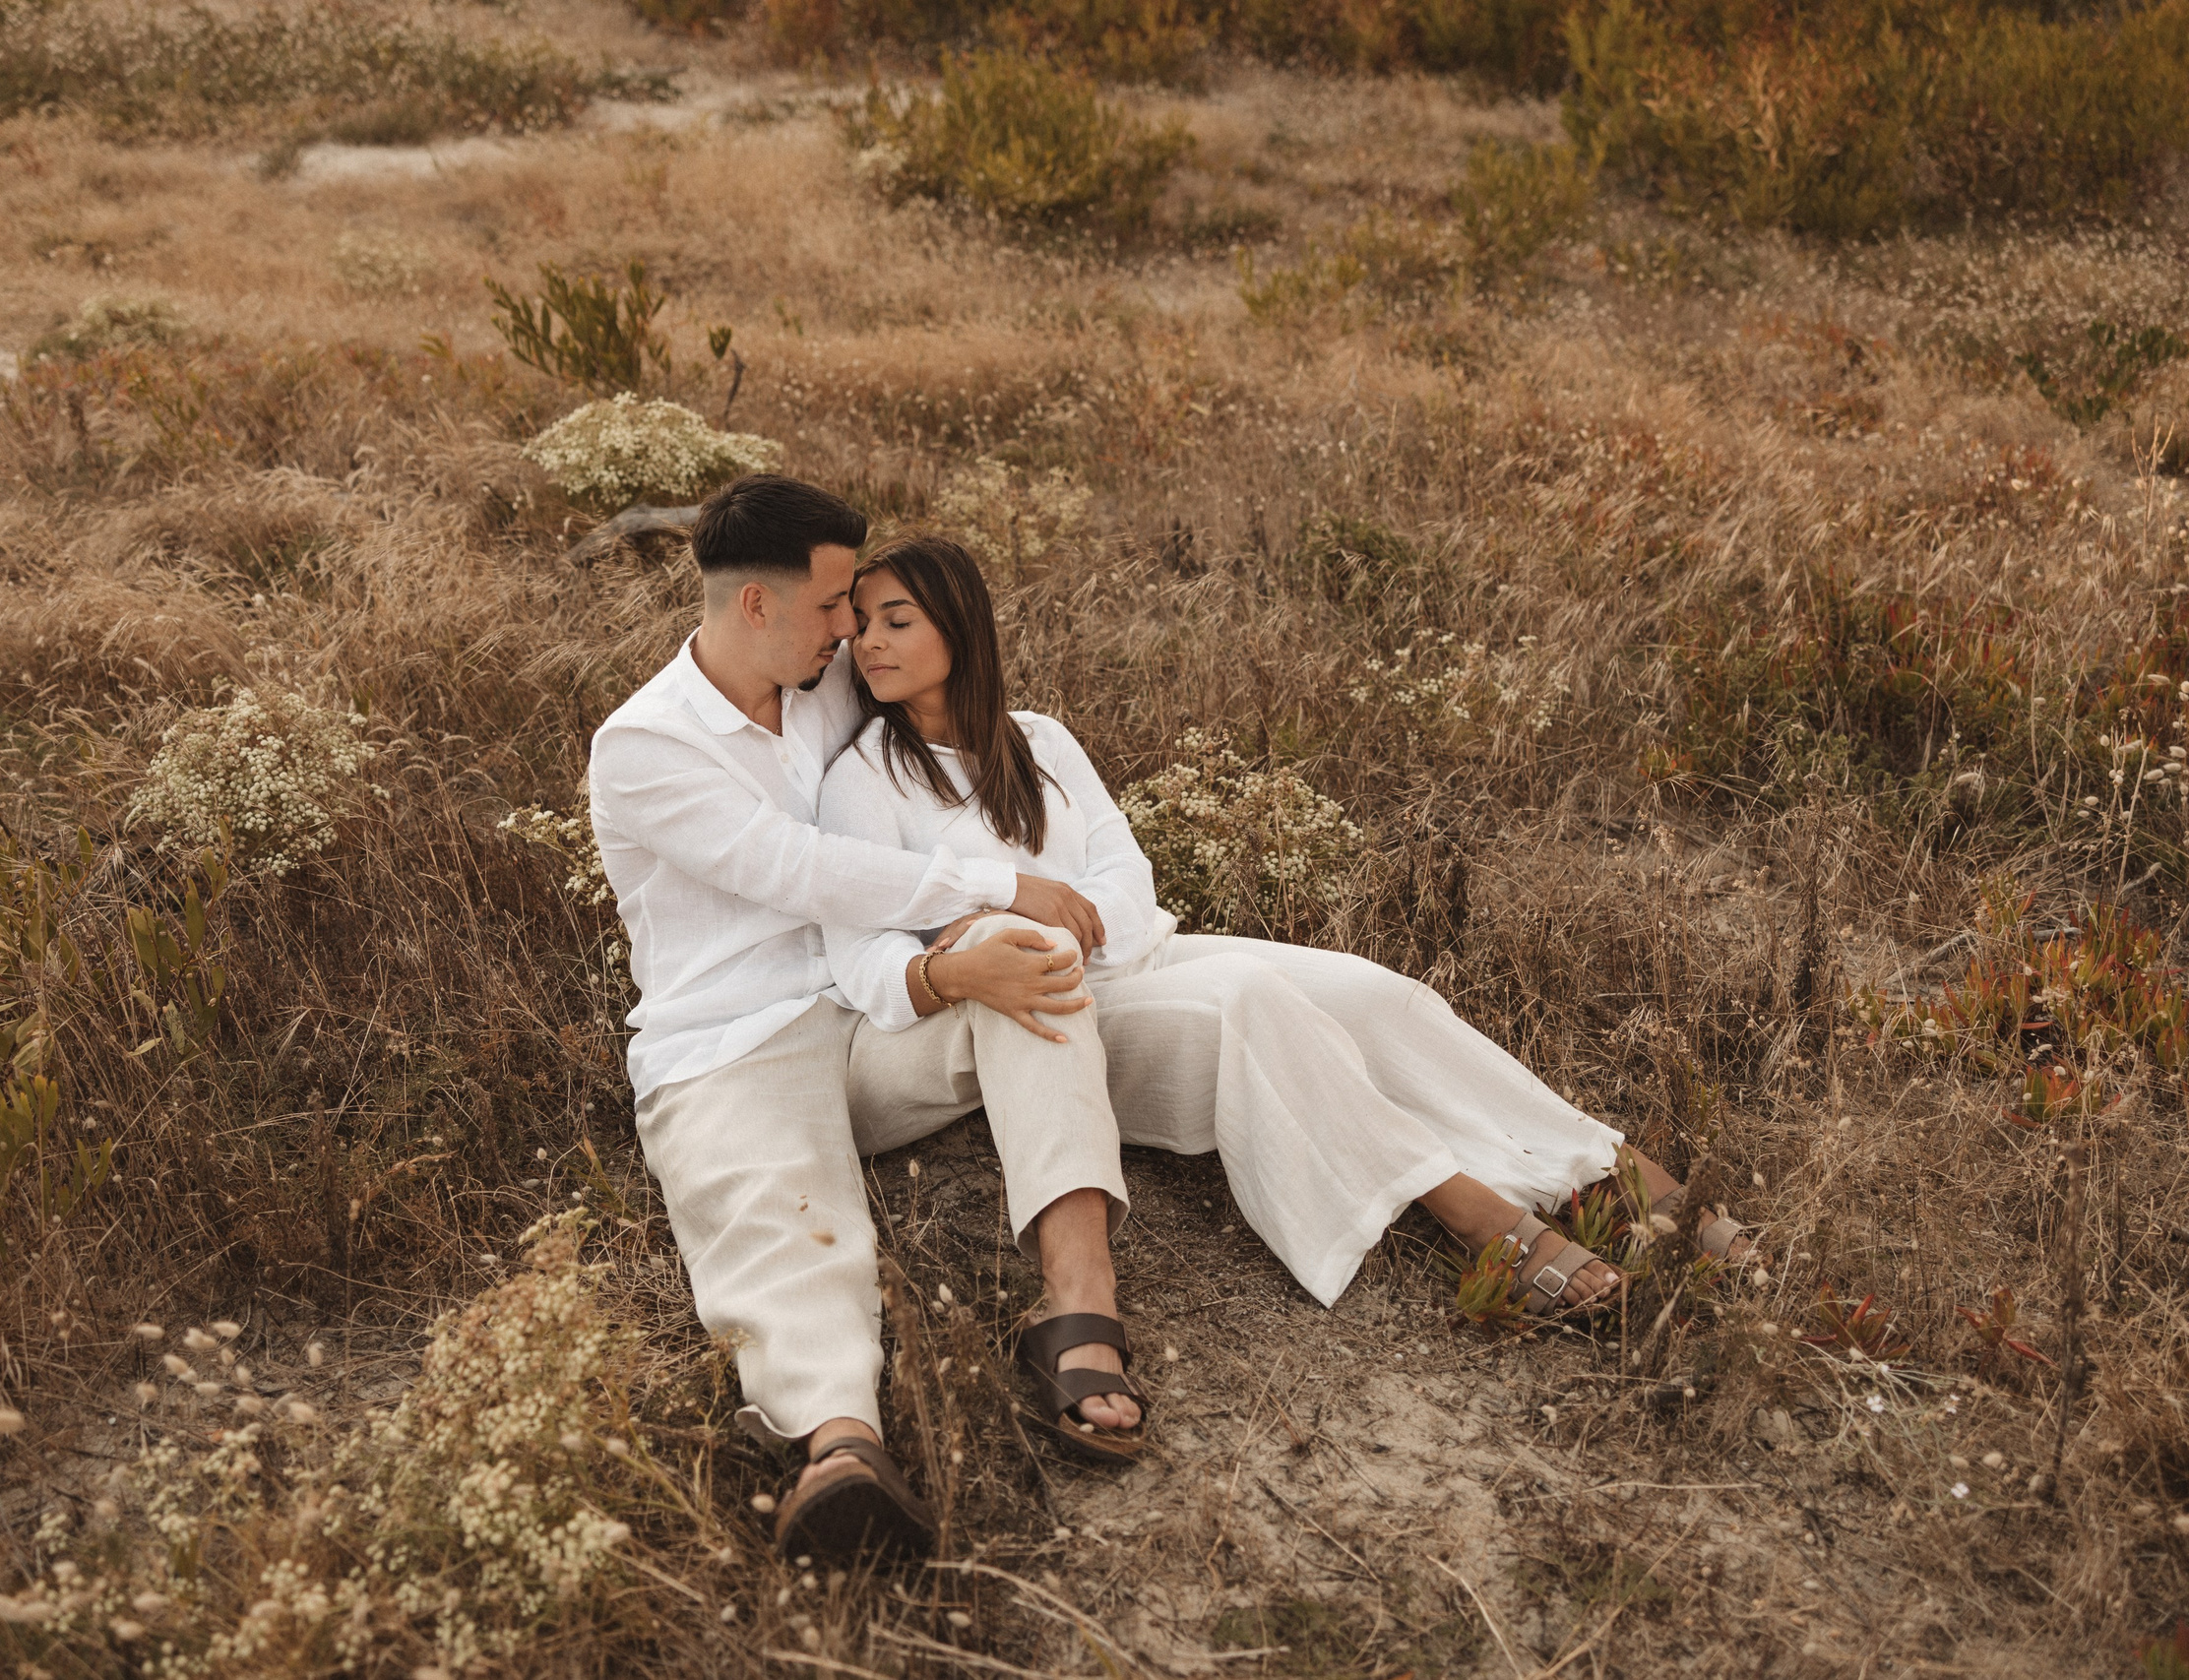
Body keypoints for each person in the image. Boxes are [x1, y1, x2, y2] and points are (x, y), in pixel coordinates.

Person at [817, 535, 1755, 1416]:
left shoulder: (1041, 742)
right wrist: (1001, 933)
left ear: (960, 626)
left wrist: (1075, 918)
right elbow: (862, 961)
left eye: (896, 619)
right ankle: (1474, 1211)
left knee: (1376, 993)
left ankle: (1601, 1174)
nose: (869, 643)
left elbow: (1126, 880)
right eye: (861, 623)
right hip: (1030, 1006)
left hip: (1133, 958)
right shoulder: (865, 773)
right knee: (1246, 997)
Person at [587, 476, 1153, 1564]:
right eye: (836, 602)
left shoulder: (825, 678)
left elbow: (934, 705)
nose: (853, 629)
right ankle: (842, 1448)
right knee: (777, 1209)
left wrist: (1007, 921)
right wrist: (997, 881)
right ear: (758, 606)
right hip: (734, 1038)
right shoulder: (646, 745)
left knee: (1024, 966)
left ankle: (1079, 1312)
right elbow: (797, 868)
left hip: (867, 1012)